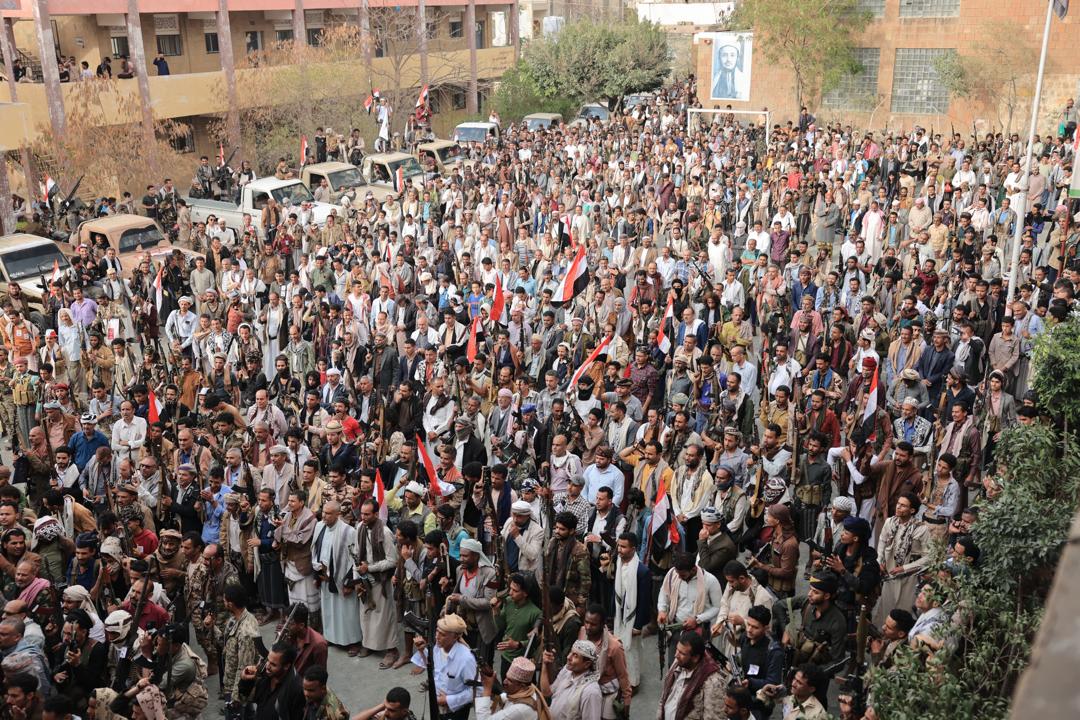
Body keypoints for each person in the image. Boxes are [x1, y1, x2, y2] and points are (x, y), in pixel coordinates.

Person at [410, 613, 477, 720]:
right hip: (437, 705)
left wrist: (448, 700)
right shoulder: (438, 647)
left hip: (456, 711)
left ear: (455, 637)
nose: (437, 636)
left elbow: (476, 690)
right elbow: (434, 667)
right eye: (437, 631)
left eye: (443, 634)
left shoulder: (466, 659)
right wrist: (422, 651)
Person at [656, 630, 727, 720]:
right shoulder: (679, 663)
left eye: (682, 653)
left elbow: (713, 717)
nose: (676, 655)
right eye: (677, 650)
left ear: (695, 658)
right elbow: (664, 696)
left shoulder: (713, 682)